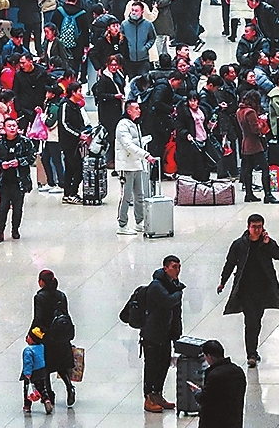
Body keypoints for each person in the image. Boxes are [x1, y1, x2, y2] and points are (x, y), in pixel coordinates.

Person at [217, 213, 279, 368]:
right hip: (245, 290)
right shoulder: (239, 245)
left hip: (263, 290)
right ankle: (251, 354)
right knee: (251, 321)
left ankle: (253, 349)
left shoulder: (266, 243)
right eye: (254, 227)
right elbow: (230, 263)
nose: (257, 230)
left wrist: (269, 244)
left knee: (257, 321)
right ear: (248, 227)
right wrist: (223, 282)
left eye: (259, 227)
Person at [137, 255, 186, 412]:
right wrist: (178, 293)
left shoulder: (173, 284)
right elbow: (169, 301)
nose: (177, 270)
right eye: (174, 267)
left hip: (165, 333)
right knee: (151, 366)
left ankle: (158, 394)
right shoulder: (156, 286)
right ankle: (149, 397)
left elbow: (176, 311)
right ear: (165, 268)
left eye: (179, 266)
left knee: (164, 364)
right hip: (152, 334)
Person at [29, 269, 79, 406]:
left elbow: (38, 319)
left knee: (46, 367)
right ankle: (70, 387)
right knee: (62, 365)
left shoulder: (39, 297)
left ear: (41, 282)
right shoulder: (61, 295)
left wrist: (31, 335)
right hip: (62, 335)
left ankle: (49, 395)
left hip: (47, 337)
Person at [116, 98, 152, 236]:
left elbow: (135, 143)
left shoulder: (134, 124)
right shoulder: (122, 125)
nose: (139, 110)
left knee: (139, 195)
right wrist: (146, 155)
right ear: (128, 110)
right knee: (126, 196)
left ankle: (139, 222)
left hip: (136, 164)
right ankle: (122, 224)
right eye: (136, 108)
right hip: (126, 166)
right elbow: (128, 145)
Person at [193, 339, 247, 428]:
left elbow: (205, 399)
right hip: (234, 421)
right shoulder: (238, 371)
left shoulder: (214, 375)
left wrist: (197, 392)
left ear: (209, 356)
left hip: (215, 422)